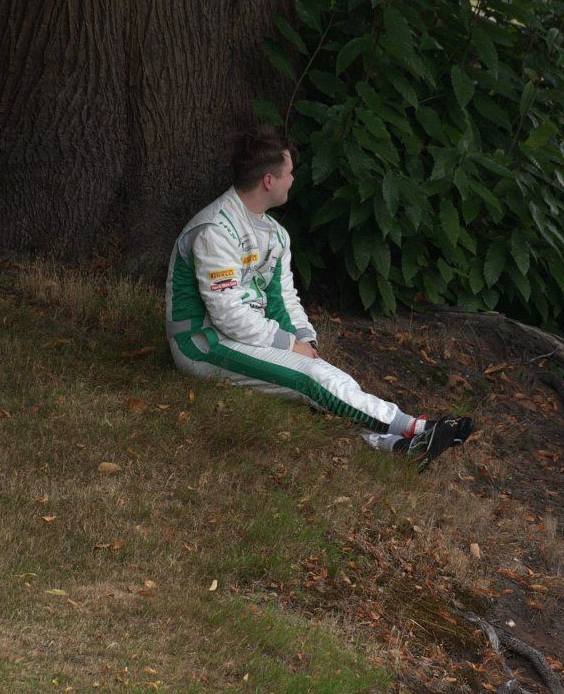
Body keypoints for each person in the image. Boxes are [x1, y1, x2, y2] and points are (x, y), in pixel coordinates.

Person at [165, 127, 474, 465]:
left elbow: (283, 299)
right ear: (269, 180)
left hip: (241, 335)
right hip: (202, 342)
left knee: (325, 377)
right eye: (290, 173)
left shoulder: (275, 234)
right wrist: (286, 345)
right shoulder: (216, 230)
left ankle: (393, 445)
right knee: (309, 378)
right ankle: (417, 428)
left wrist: (303, 339)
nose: (293, 179)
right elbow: (227, 314)